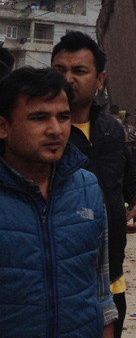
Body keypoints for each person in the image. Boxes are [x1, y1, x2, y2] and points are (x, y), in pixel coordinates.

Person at [0, 67, 119, 337]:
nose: (55, 130)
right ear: (3, 126)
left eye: (63, 117)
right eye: (39, 118)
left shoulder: (88, 187)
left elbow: (101, 291)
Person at [52, 31, 136, 338]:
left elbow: (125, 171)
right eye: (60, 71)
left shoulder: (110, 127)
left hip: (111, 269)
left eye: (79, 71)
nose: (68, 79)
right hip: (61, 273)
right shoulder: (44, 133)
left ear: (100, 79)